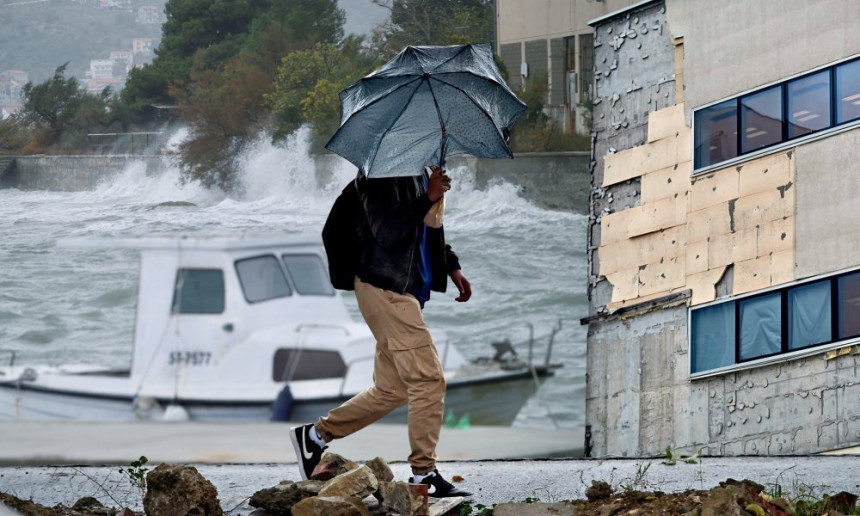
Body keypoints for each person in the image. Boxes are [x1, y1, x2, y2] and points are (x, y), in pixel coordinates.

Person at [290, 165, 473, 498]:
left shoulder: (419, 172)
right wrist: (429, 196)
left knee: (393, 389)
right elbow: (388, 233)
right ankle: (424, 475)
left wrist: (451, 264)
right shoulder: (381, 174)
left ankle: (315, 436)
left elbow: (422, 231)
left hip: (403, 291)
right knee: (428, 379)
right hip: (385, 288)